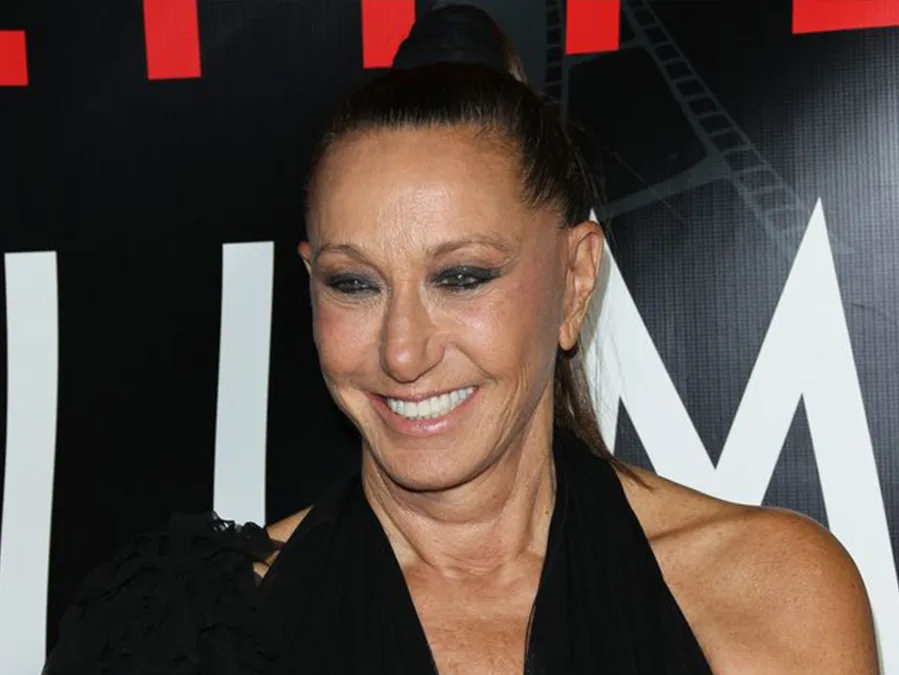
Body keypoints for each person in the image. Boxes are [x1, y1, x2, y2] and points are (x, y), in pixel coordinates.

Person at [43, 5, 878, 675]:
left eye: (463, 276)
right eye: (354, 283)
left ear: (576, 279)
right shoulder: (184, 630)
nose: (402, 352)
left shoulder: (768, 596)